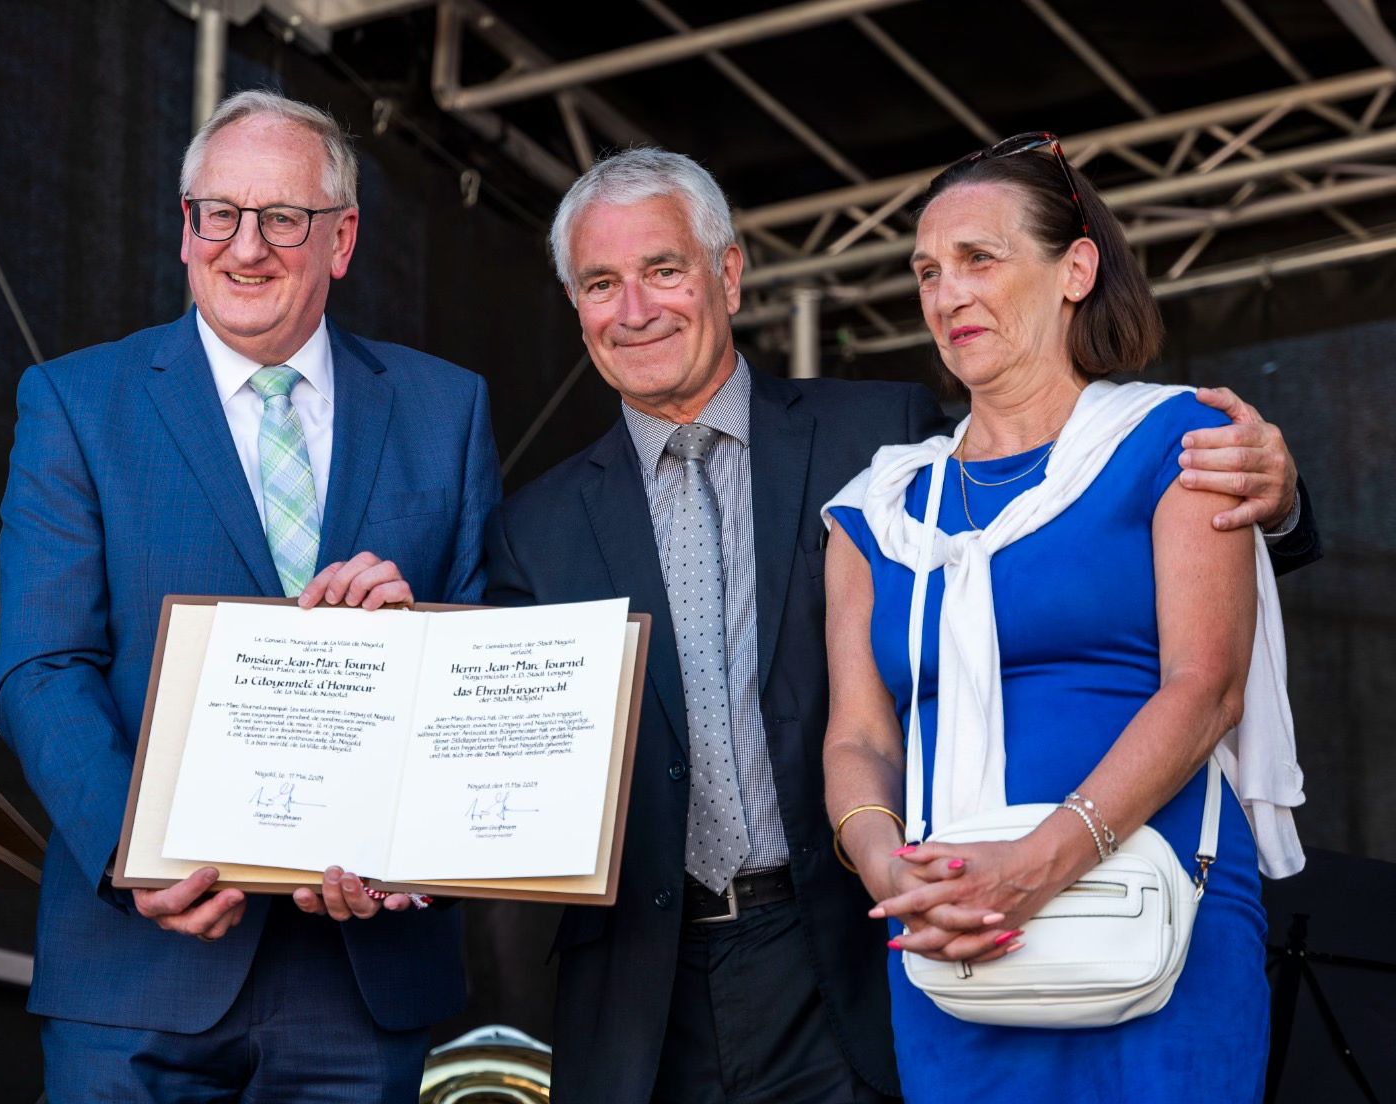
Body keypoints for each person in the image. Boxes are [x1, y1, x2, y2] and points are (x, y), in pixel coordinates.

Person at [484, 147, 1315, 1104]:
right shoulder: (535, 524)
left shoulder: (875, 434)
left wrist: (1281, 499)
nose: (635, 308)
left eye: (664, 270)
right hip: (664, 984)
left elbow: (1163, 595)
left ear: (729, 274)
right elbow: (485, 732)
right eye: (601, 282)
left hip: (865, 961)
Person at [0, 90, 500, 1100]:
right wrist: (138, 856)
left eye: (283, 218)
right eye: (217, 213)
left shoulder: (447, 408)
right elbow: (42, 669)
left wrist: (415, 660)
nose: (246, 247)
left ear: (342, 239)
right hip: (138, 973)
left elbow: (479, 670)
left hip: (362, 980)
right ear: (186, 229)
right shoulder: (76, 404)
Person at [822, 132, 1305, 1103]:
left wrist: (1041, 863)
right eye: (925, 271)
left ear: (1075, 268)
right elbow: (858, 738)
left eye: (978, 260)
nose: (946, 294)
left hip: (1155, 918)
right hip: (954, 940)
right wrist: (890, 874)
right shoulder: (872, 509)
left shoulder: (1180, 439)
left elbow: (1203, 690)